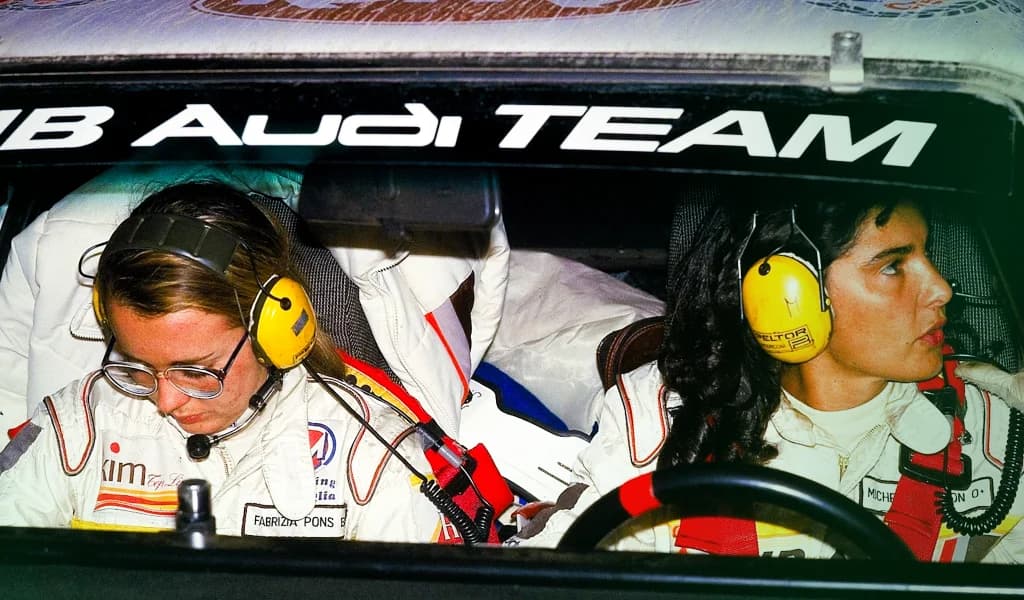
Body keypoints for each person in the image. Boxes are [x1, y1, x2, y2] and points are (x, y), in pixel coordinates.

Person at [513, 195, 1024, 563]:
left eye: (928, 257)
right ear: (788, 297)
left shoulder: (995, 438)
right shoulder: (665, 420)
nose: (941, 289)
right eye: (893, 267)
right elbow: (555, 571)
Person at [0, 181, 451, 542]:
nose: (165, 400)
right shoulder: (74, 429)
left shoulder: (371, 458)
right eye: (136, 363)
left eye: (196, 370)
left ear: (272, 333)